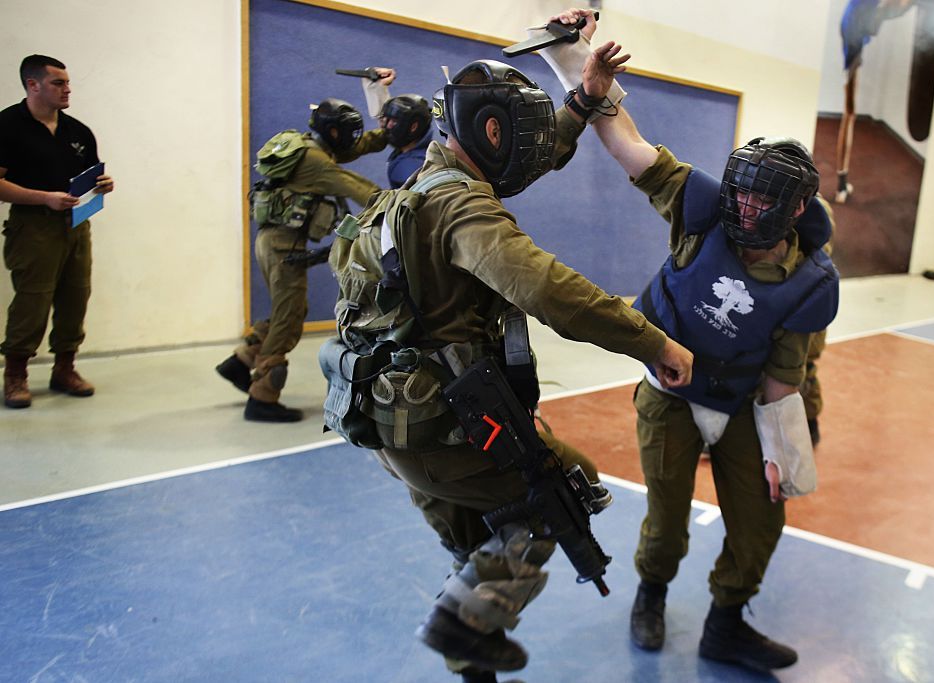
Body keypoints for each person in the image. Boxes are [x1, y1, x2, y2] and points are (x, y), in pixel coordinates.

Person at [325, 52, 693, 683]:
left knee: (476, 547)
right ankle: (461, 627)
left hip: (384, 420)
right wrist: (653, 343)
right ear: (491, 132)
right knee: (559, 491)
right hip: (442, 426)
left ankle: (471, 651)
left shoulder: (412, 190)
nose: (532, 152)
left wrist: (582, 101)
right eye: (516, 135)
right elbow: (546, 288)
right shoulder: (463, 209)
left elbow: (534, 158)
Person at [545, 8, 840, 673]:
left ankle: (726, 623)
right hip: (669, 390)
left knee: (765, 514)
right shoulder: (701, 204)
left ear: (795, 210)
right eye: (739, 196)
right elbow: (626, 142)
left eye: (760, 205)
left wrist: (783, 450)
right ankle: (650, 593)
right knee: (667, 521)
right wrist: (577, 63)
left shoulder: (811, 281)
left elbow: (785, 374)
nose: (742, 212)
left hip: (740, 398)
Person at [214, 96, 388, 422]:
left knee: (290, 309)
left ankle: (241, 362)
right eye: (347, 132)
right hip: (284, 247)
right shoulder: (317, 162)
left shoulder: (309, 146)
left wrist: (386, 132)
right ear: (333, 132)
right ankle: (263, 397)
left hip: (274, 242)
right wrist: (406, 202)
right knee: (289, 317)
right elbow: (364, 190)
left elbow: (354, 149)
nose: (351, 139)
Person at [0, 54, 115, 409]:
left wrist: (104, 184)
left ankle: (65, 367)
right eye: (58, 83)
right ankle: (16, 374)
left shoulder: (77, 131)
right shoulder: (8, 126)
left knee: (75, 296)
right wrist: (43, 199)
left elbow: (91, 175)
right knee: (33, 299)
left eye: (67, 82)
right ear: (32, 85)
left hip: (77, 224)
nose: (67, 90)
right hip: (32, 226)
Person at [836, 0, 915, 203]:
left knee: (849, 113)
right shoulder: (860, 15)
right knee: (850, 113)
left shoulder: (872, 13)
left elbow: (893, 9)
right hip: (853, 42)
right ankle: (841, 184)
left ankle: (842, 183)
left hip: (855, 38)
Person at [357, 66, 433, 188]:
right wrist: (377, 90)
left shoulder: (407, 168)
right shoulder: (422, 145)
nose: (387, 125)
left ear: (413, 127)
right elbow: (391, 127)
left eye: (394, 121)